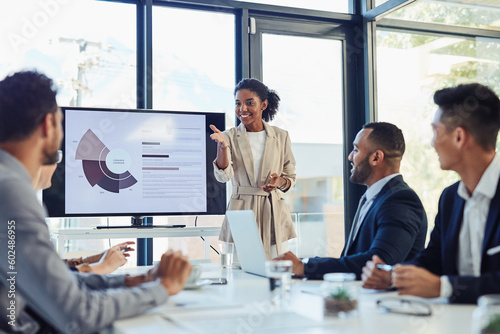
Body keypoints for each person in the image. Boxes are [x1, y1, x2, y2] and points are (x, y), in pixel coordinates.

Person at [0, 70, 192, 334]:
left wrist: (133, 280)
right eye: (61, 121)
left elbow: (58, 284)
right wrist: (162, 288)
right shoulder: (11, 192)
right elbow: (78, 314)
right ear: (48, 125)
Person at [362, 83, 500, 304]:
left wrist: (443, 287)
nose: (432, 143)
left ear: (459, 137)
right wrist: (393, 275)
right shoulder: (450, 198)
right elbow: (432, 259)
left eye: (436, 132)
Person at [276, 122, 428, 279]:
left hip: (384, 301)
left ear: (376, 157)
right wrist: (304, 263)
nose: (350, 157)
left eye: (356, 150)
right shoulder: (375, 198)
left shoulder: (400, 200)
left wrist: (305, 267)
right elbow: (352, 259)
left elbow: (378, 264)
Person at [210, 78, 296, 259]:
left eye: (249, 103)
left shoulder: (281, 136)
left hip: (273, 211)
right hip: (242, 210)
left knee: (276, 269)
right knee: (241, 270)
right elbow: (223, 176)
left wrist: (278, 182)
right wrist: (222, 148)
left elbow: (290, 178)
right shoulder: (228, 137)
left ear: (263, 104)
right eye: (238, 103)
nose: (243, 109)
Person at [35, 156, 136, 275]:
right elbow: (45, 277)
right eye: (56, 156)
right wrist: (104, 266)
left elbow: (41, 265)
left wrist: (92, 259)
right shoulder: (23, 210)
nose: (57, 165)